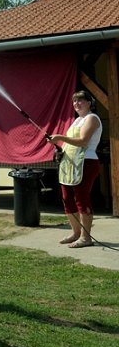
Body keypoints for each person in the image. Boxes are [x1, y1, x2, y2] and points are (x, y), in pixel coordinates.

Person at [49, 89, 102, 248]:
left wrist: (59, 137)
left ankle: (86, 238)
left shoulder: (92, 118)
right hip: (70, 164)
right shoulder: (77, 120)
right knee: (67, 199)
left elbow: (83, 141)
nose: (76, 103)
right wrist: (60, 150)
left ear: (89, 103)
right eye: (74, 101)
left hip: (86, 162)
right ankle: (76, 233)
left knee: (81, 199)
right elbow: (71, 144)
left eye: (80, 100)